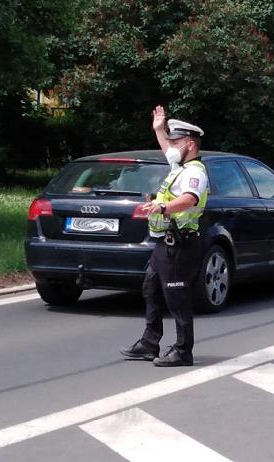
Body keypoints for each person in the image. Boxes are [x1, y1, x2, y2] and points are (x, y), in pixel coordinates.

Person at [120, 105, 209, 367]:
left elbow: (189, 199)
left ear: (190, 144)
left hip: (180, 243)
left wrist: (163, 207)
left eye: (176, 141)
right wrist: (159, 129)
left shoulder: (194, 172)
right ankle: (149, 343)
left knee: (176, 297)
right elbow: (168, 152)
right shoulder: (179, 166)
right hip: (165, 243)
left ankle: (183, 350)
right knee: (151, 290)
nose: (171, 146)